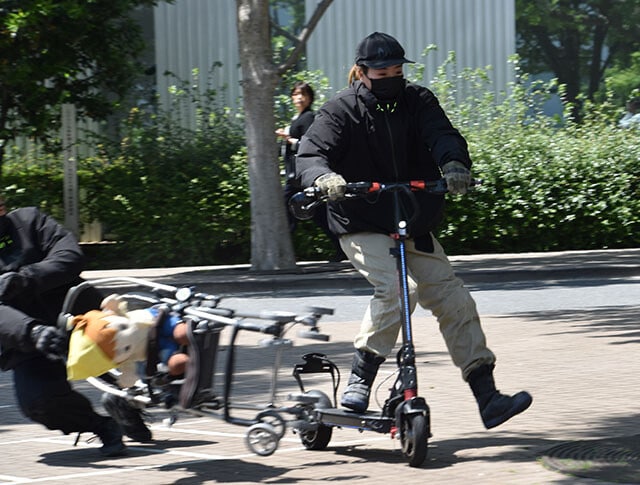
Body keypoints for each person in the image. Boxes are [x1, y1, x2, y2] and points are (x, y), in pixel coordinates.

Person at [295, 32, 532, 429]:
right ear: (363, 72)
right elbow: (311, 153)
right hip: (362, 220)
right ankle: (360, 378)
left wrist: (454, 163)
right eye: (381, 70)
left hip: (412, 217)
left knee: (453, 297)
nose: (391, 76)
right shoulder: (340, 109)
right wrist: (324, 178)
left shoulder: (419, 100)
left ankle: (488, 397)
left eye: (397, 69)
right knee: (397, 289)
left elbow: (442, 135)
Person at [0, 196, 127, 456]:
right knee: (39, 403)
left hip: (83, 318)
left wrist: (28, 278)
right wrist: (32, 332)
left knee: (137, 363)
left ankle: (128, 404)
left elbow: (69, 254)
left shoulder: (29, 220)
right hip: (31, 341)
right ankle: (102, 426)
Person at [277, 81, 346, 262]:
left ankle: (284, 252)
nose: (299, 98)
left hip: (301, 176)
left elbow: (311, 144)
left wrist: (290, 139)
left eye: (303, 95)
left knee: (290, 210)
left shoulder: (307, 118)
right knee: (319, 215)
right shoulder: (297, 117)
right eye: (295, 94)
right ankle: (342, 248)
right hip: (297, 176)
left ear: (309, 98)